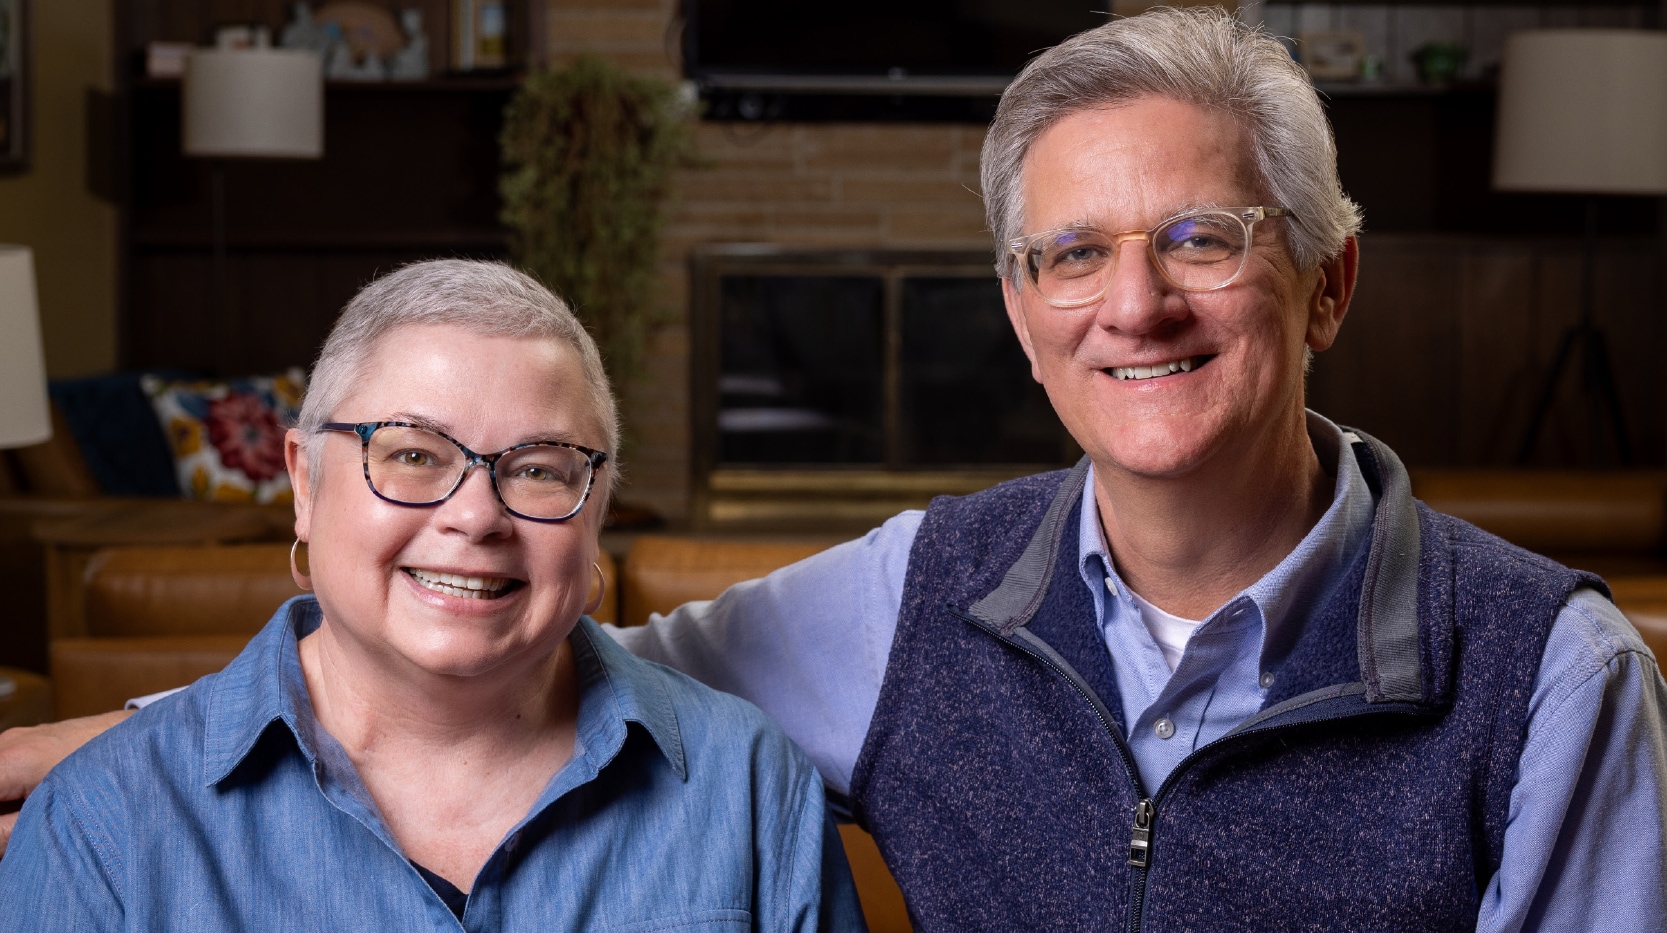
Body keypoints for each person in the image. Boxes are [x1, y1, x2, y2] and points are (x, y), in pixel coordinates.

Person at [3, 8, 1665, 931]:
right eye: (1070, 255)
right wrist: (127, 743)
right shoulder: (910, 598)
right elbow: (512, 659)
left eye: (1201, 241)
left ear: (1328, 280)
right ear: (1019, 314)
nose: (1134, 303)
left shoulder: (1547, 673)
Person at [0, 260, 864, 931]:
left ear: (595, 509)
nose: (475, 516)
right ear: (305, 481)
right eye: (413, 453)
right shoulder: (103, 818)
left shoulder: (748, 785)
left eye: (537, 468)